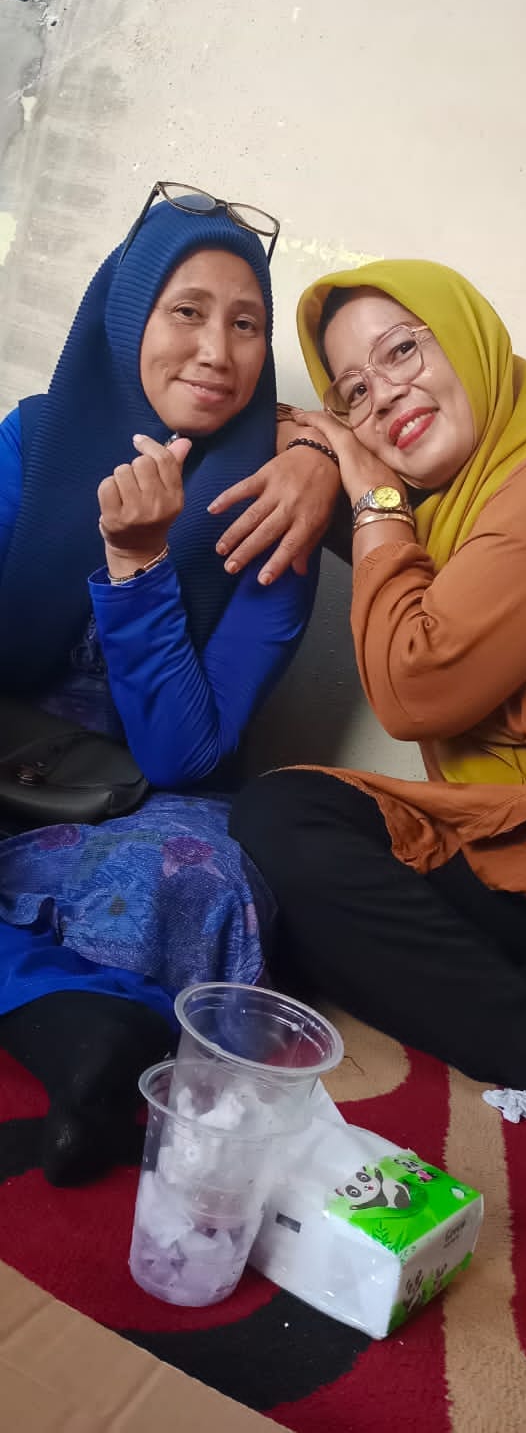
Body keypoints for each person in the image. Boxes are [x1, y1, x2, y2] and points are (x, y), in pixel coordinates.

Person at [231, 258, 526, 1187]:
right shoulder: (424, 523)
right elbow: (280, 427)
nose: (386, 395)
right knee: (279, 816)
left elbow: (415, 686)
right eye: (355, 391)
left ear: (470, 343)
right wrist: (322, 453)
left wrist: (368, 488)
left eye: (403, 350)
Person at [0, 184, 324, 1185]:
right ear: (128, 315)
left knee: (195, 878)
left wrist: (139, 564)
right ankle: (81, 1026)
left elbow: (186, 752)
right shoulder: (33, 441)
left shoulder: (274, 505)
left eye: (247, 324)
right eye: (187, 311)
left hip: (143, 801)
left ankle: (85, 1036)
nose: (217, 352)